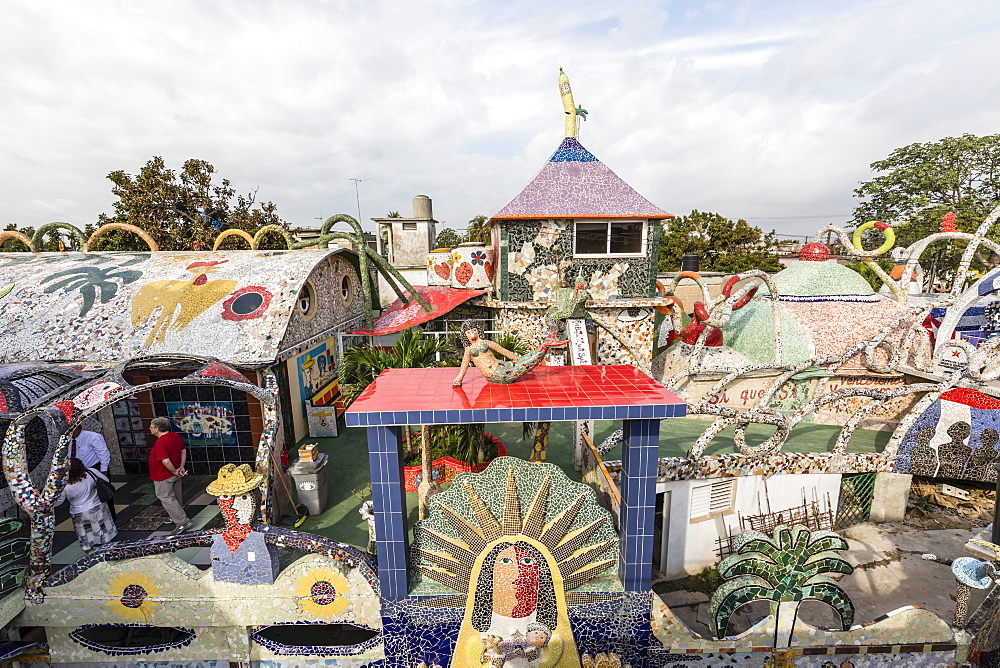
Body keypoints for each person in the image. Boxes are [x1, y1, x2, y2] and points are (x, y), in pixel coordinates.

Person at [452, 320, 566, 387]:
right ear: (465, 335)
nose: (472, 335)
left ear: (478, 330)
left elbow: (505, 352)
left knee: (523, 364)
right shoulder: (468, 350)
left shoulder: (487, 343)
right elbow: (464, 365)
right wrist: (459, 378)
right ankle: (545, 345)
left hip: (501, 369)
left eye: (474, 331)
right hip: (493, 377)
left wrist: (519, 360)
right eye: (469, 333)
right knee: (521, 365)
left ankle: (545, 346)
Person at [56, 457, 117, 553]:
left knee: (85, 539)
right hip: (98, 506)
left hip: (80, 513)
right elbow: (106, 480)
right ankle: (109, 554)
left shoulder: (65, 485)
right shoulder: (91, 472)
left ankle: (91, 559)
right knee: (105, 534)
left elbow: (59, 501)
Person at [148, 417, 191, 533]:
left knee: (166, 497)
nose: (149, 429)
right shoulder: (175, 436)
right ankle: (177, 515)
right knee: (176, 496)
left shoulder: (160, 442)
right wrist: (180, 467)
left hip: (163, 474)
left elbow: (165, 460)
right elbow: (183, 451)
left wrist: (173, 471)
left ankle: (182, 521)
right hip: (175, 472)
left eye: (151, 427)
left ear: (157, 429)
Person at [70, 425, 116, 521]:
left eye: (73, 430)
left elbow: (104, 454)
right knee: (86, 496)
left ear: (79, 428)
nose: (71, 433)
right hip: (77, 471)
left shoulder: (93, 437)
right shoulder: (67, 439)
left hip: (95, 469)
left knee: (103, 494)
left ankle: (110, 517)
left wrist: (104, 471)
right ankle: (93, 518)